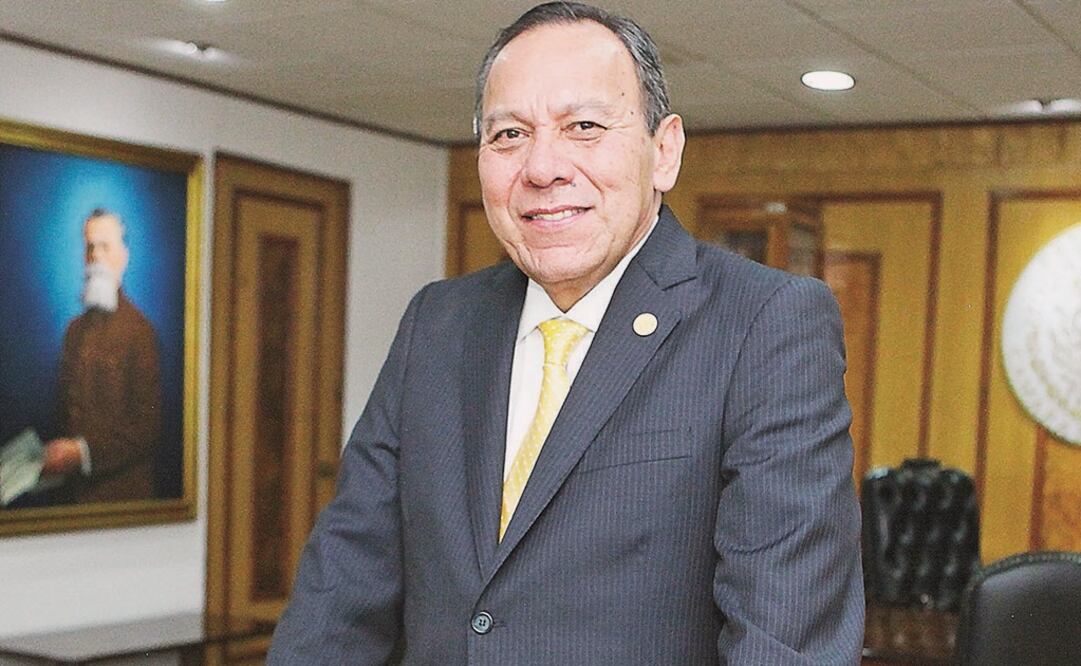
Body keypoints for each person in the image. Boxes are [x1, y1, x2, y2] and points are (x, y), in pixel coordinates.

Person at [269, 3, 863, 663]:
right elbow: (339, 594)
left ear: (663, 152)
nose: (542, 167)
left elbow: (783, 641)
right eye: (508, 135)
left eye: (582, 126)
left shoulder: (764, 324)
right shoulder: (436, 324)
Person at [42, 208, 162, 504]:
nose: (95, 255)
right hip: (70, 499)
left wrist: (80, 453)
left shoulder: (140, 332)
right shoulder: (73, 331)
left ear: (123, 256)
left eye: (105, 246)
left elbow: (145, 430)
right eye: (89, 247)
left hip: (120, 501)